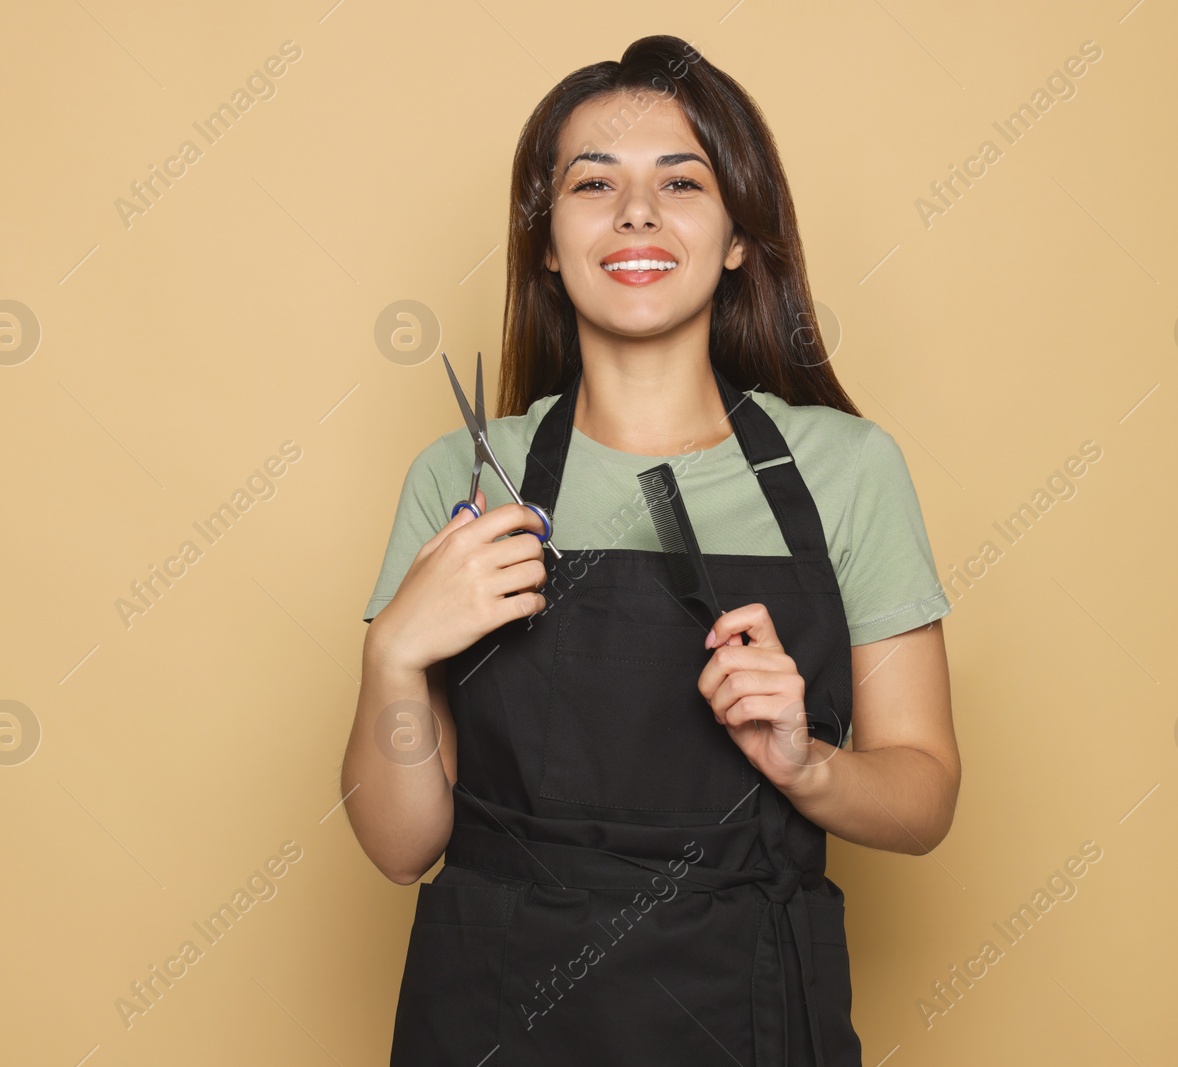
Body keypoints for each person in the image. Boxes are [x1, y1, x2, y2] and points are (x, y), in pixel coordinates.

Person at [342, 34, 959, 1066]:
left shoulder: (846, 469)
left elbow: (924, 792)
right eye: (593, 183)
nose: (636, 211)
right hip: (493, 1016)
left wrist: (804, 764)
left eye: (682, 180)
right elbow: (400, 846)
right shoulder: (461, 475)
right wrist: (393, 655)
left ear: (735, 237)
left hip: (749, 1006)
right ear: (545, 240)